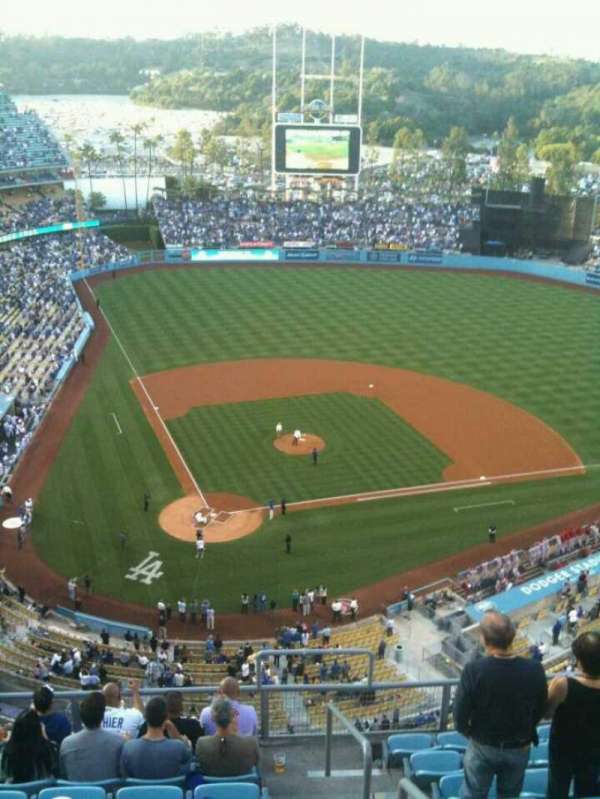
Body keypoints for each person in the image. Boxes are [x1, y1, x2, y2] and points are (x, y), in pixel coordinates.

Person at [454, 611, 547, 799]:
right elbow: (539, 709)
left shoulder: (474, 670)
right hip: (519, 746)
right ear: (512, 637)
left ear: (484, 639)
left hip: (483, 745)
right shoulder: (535, 669)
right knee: (510, 795)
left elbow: (460, 716)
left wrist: (471, 733)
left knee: (473, 794)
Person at [545, 632, 600, 798]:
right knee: (585, 791)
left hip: (563, 750)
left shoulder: (563, 684)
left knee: (556, 789)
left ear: (579, 660)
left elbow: (547, 713)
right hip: (594, 751)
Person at [120, 696, 192, 780]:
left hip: (139, 792)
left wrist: (131, 743)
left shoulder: (129, 747)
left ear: (145, 717)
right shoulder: (179, 747)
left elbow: (124, 775)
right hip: (170, 792)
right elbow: (189, 767)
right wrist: (186, 745)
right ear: (166, 718)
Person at [59, 691, 124, 781]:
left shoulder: (66, 743)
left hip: (77, 793)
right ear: (102, 716)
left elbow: (63, 774)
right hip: (108, 793)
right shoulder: (118, 741)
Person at [196, 697, 259, 777]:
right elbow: (257, 765)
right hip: (243, 788)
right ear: (232, 715)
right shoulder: (251, 743)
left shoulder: (201, 744)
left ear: (212, 717)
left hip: (212, 788)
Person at [0, 708, 57, 783]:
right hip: (41, 791)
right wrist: (45, 738)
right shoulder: (49, 750)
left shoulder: (6, 751)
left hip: (14, 792)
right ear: (38, 729)